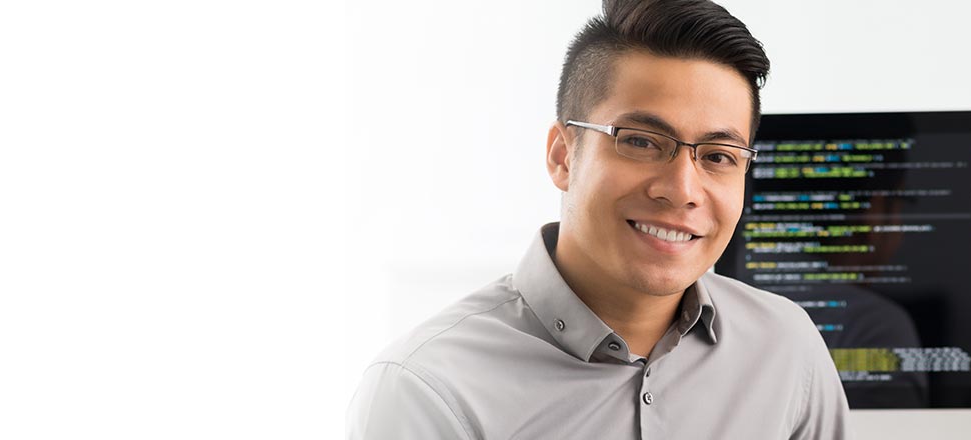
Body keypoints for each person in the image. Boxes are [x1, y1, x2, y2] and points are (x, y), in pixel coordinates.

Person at [348, 1, 848, 438]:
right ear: (564, 155)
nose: (681, 190)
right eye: (640, 141)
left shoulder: (786, 348)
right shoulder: (427, 389)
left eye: (718, 156)